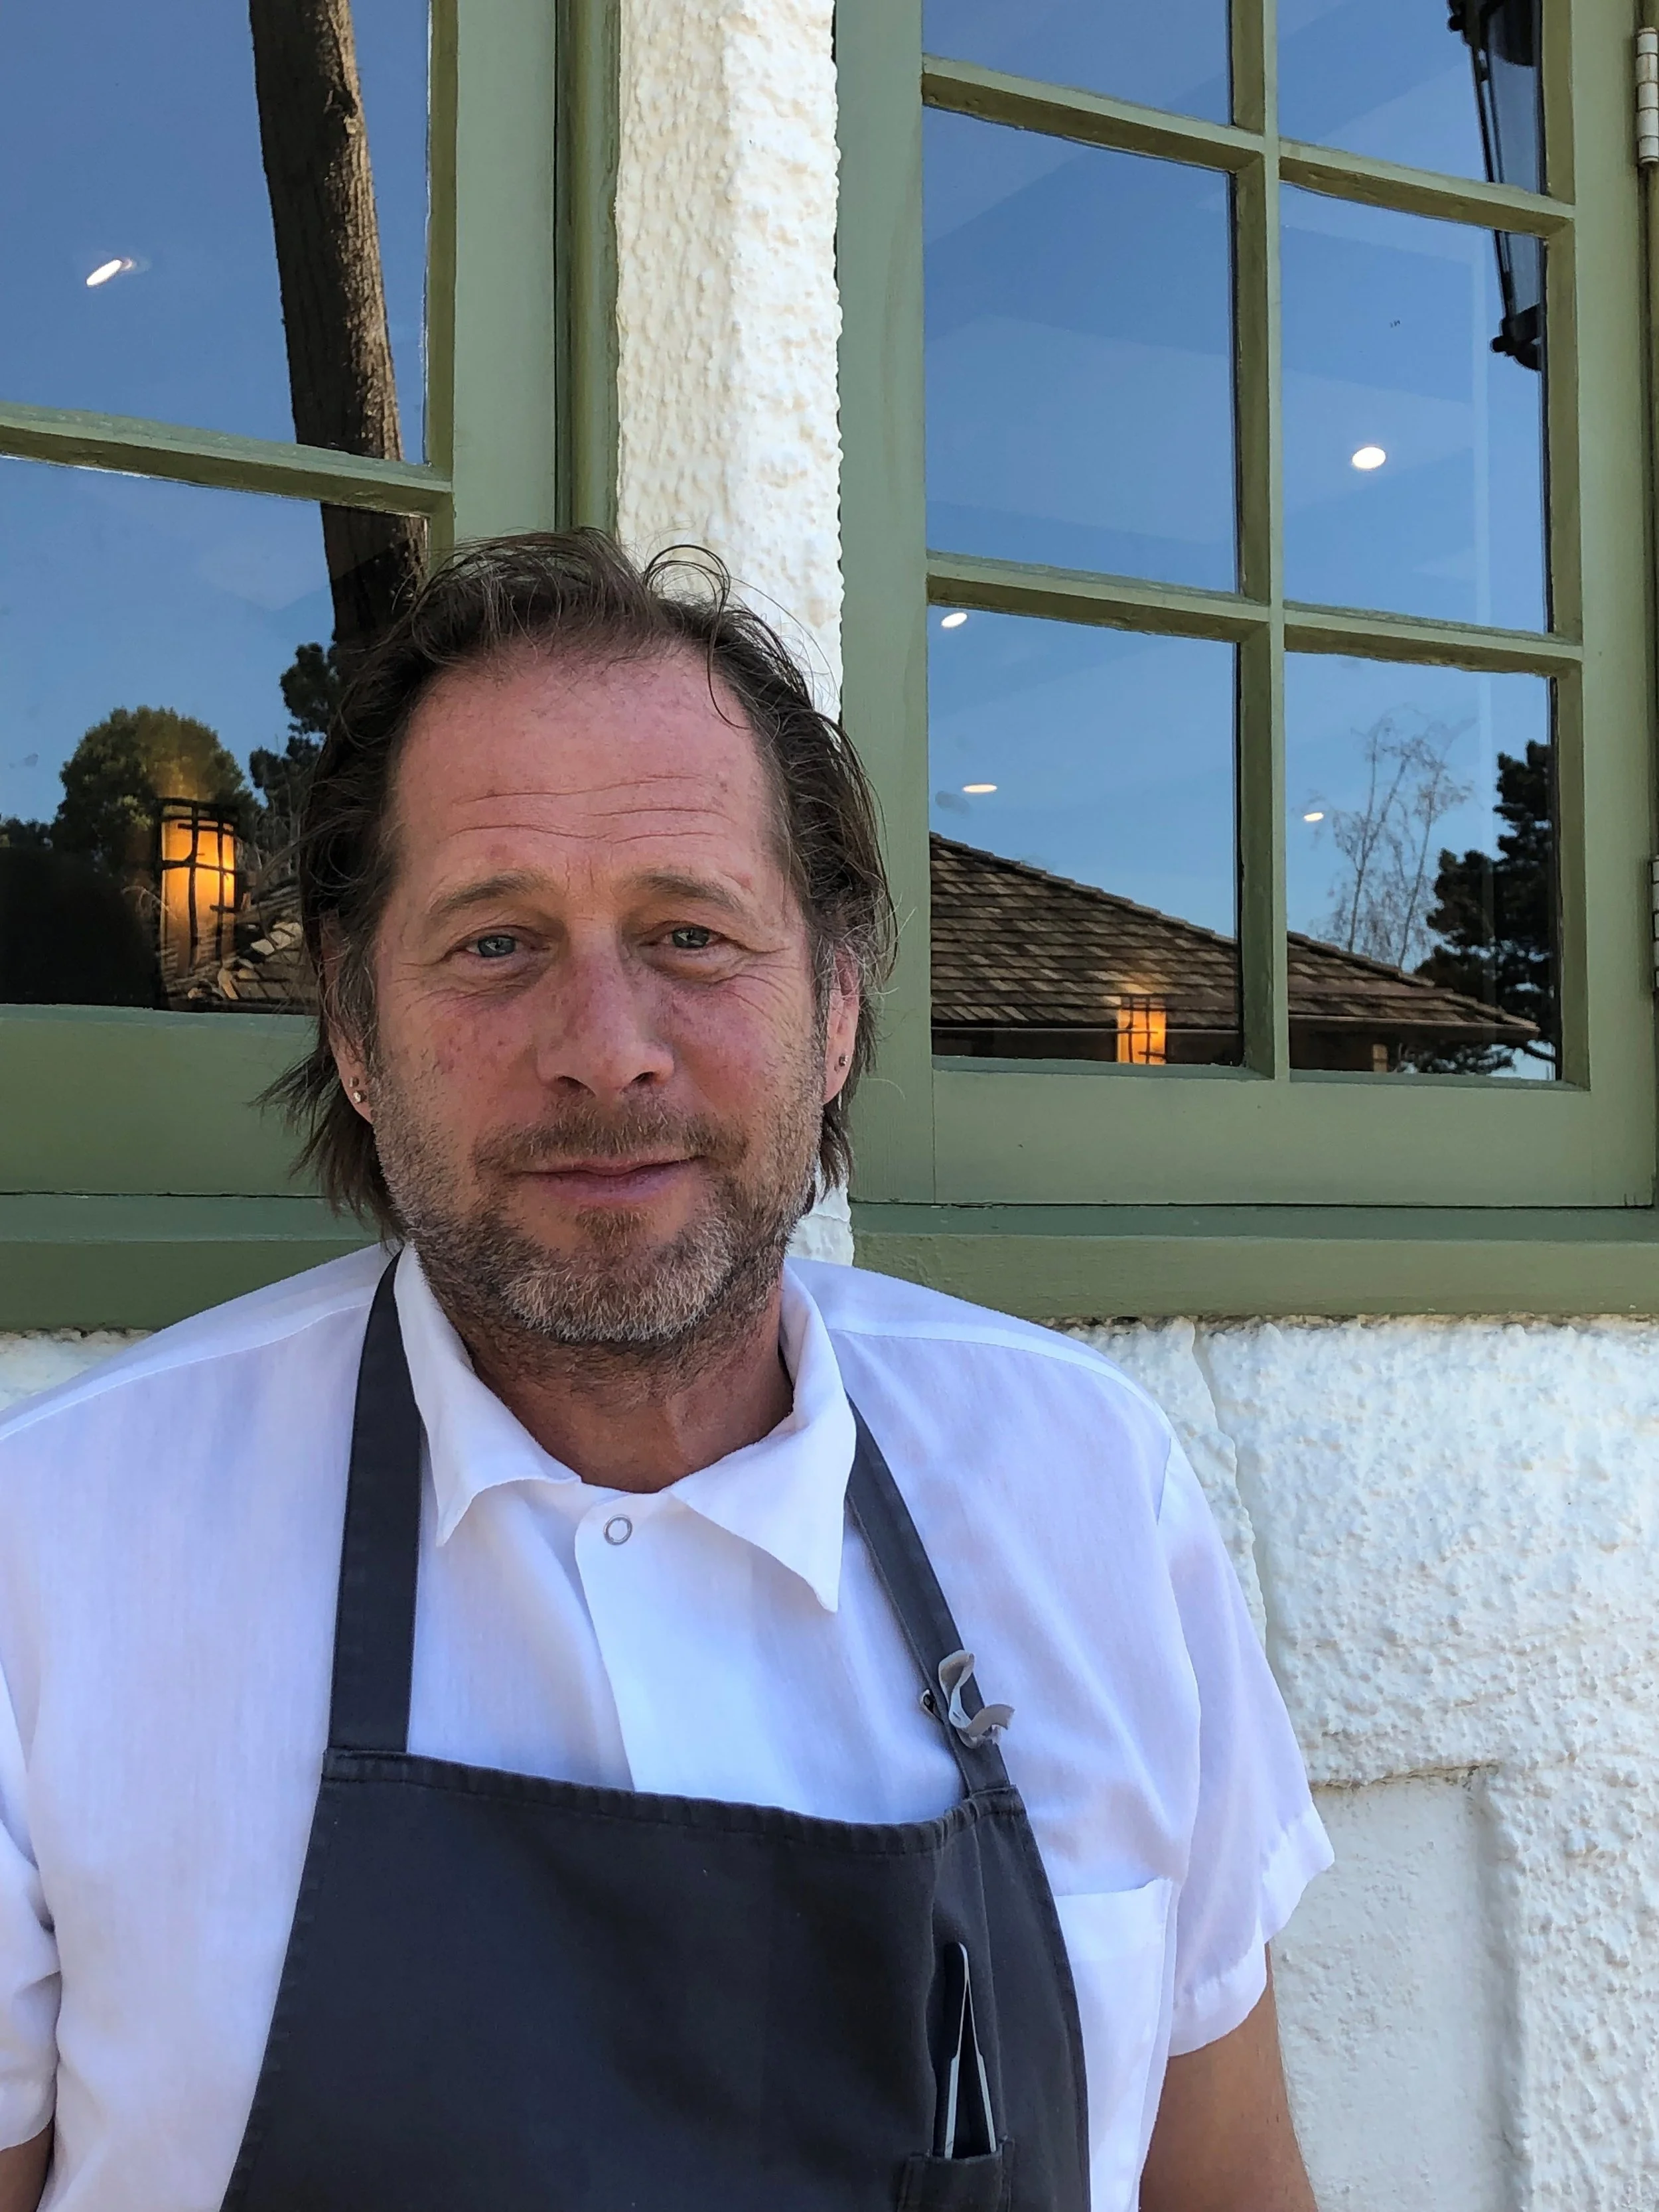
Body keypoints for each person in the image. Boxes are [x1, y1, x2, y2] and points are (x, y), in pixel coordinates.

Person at [0, 532, 1331, 2212]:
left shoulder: (1087, 1493)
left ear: (836, 1006)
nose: (605, 1042)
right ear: (351, 1023)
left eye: (692, 933)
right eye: (493, 943)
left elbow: (1226, 2183)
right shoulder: (49, 1552)